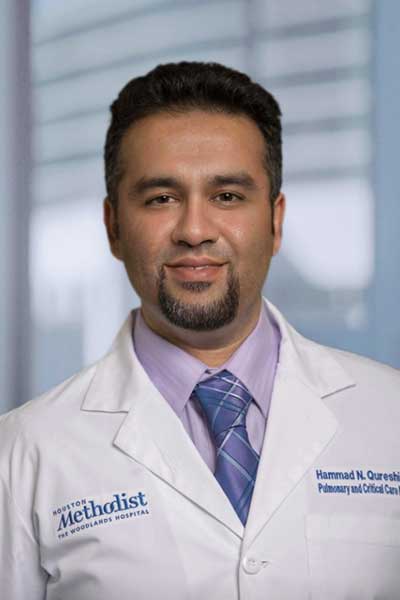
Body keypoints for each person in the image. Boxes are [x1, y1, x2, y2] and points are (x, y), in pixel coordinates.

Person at [0, 61, 399, 600]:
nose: (194, 230)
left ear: (275, 220)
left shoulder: (390, 416)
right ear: (113, 226)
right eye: (161, 198)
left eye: (227, 196)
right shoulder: (24, 451)